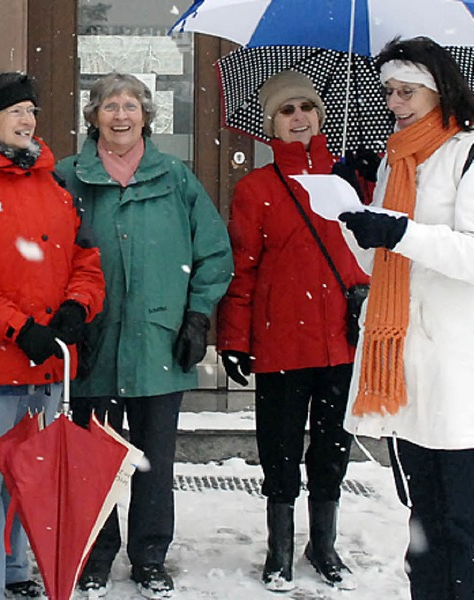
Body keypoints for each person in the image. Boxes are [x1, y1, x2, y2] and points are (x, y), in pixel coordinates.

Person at [55, 72, 233, 599]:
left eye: (131, 105)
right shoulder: (68, 177)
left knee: (155, 458)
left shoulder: (175, 177)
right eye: (110, 105)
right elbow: (49, 255)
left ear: (147, 116)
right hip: (94, 344)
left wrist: (198, 315)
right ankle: (96, 554)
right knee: (96, 459)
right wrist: (67, 322)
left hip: (161, 340)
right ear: (93, 117)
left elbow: (214, 252)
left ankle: (151, 555)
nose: (121, 115)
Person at [0, 71, 105, 600]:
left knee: (30, 479)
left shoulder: (58, 186)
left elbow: (88, 262)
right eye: (15, 111)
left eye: (31, 110)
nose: (28, 120)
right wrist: (19, 328)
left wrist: (79, 306)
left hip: (49, 363)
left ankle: (14, 573)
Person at [217, 71, 369, 592]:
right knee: (279, 449)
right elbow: (243, 269)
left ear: (321, 116)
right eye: (287, 111)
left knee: (332, 449)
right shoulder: (254, 189)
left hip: (342, 343)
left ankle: (322, 544)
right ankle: (278, 549)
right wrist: (235, 340)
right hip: (282, 341)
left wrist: (368, 184)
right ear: (272, 125)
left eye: (307, 107)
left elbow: (369, 256)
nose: (299, 117)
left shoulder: (350, 182)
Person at [340, 37, 474, 600]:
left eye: (407, 91)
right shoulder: (399, 160)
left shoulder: (466, 154)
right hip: (404, 367)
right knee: (422, 519)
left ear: (439, 89)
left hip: (457, 367)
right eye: (389, 91)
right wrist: (357, 212)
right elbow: (381, 263)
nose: (394, 102)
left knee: (461, 522)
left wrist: (401, 231)